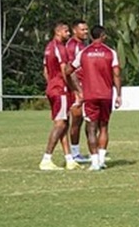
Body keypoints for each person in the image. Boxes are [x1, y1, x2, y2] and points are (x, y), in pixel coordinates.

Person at [65, 25, 121, 171]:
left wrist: (76, 89)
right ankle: (101, 160)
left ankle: (95, 162)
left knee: (91, 128)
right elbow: (116, 74)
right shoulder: (111, 53)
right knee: (104, 127)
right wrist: (119, 94)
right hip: (106, 94)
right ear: (103, 36)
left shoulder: (83, 53)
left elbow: (68, 71)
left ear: (91, 36)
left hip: (90, 95)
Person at [40, 22, 78, 171]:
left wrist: (50, 85)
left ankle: (69, 159)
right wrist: (75, 89)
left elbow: (45, 70)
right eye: (66, 31)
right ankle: (46, 158)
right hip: (60, 89)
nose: (69, 34)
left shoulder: (48, 47)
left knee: (64, 123)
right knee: (61, 124)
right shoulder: (60, 48)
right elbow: (65, 71)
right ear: (58, 32)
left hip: (53, 88)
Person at [63, 19, 90, 163]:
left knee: (87, 119)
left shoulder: (81, 45)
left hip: (83, 85)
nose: (86, 32)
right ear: (75, 30)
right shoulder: (72, 46)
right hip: (76, 87)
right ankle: (74, 153)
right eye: (83, 29)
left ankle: (88, 151)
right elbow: (69, 69)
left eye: (86, 29)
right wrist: (76, 90)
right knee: (76, 119)